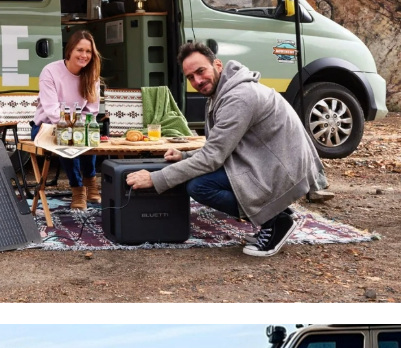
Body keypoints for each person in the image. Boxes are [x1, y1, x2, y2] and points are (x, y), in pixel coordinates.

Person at [125, 41, 328, 257]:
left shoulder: (238, 97)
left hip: (282, 166)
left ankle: (276, 221)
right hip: (266, 160)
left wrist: (157, 179)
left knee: (199, 186)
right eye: (191, 77)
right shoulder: (223, 92)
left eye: (201, 71)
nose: (197, 80)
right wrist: (185, 156)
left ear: (218, 64)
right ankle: (275, 213)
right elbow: (219, 146)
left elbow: (213, 158)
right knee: (200, 178)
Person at [31, 30, 103, 210]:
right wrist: (72, 127)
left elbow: (92, 110)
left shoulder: (91, 75)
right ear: (70, 50)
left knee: (88, 132)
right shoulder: (50, 71)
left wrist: (80, 126)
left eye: (88, 52)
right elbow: (52, 110)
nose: (84, 55)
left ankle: (90, 182)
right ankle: (78, 189)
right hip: (47, 126)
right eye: (80, 50)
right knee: (66, 138)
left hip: (76, 123)